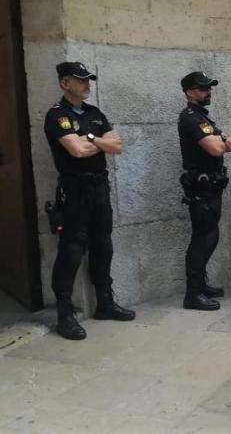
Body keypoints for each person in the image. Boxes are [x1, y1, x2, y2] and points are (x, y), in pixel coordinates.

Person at [44, 62, 135, 340]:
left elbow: (117, 146)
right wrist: (97, 143)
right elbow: (77, 151)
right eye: (80, 80)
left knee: (103, 244)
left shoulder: (95, 114)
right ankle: (65, 314)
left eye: (87, 79)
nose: (86, 84)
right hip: (75, 190)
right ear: (65, 83)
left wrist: (91, 138)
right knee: (71, 249)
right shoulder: (57, 115)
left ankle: (105, 303)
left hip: (99, 187)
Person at [177, 71, 231, 311]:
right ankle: (193, 293)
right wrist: (223, 140)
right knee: (203, 238)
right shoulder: (191, 118)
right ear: (190, 93)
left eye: (209, 87)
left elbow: (230, 143)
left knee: (209, 236)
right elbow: (217, 148)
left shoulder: (203, 117)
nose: (208, 91)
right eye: (203, 88)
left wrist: (223, 141)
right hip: (202, 188)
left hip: (212, 186)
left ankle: (200, 285)